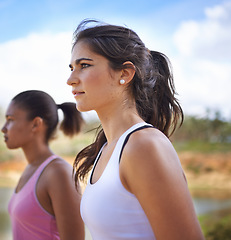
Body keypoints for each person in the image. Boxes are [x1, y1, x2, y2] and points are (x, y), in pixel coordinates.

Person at [67, 19, 205, 240]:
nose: (70, 79)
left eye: (84, 65)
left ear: (125, 73)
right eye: (72, 67)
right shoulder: (105, 150)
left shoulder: (144, 145)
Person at [1, 90, 85, 240]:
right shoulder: (32, 168)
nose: (4, 128)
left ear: (36, 124)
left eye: (11, 119)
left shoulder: (58, 173)